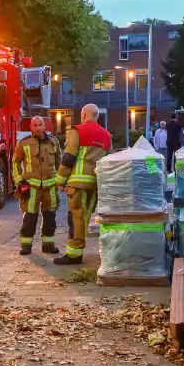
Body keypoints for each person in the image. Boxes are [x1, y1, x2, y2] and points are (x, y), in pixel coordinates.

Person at [54, 104, 112, 264]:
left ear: (84, 114)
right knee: (84, 218)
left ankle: (74, 254)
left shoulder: (77, 130)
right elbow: (109, 160)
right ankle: (76, 252)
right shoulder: (106, 135)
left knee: (76, 217)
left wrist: (60, 179)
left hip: (78, 182)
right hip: (95, 183)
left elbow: (69, 157)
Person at [12, 116, 61, 255]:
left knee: (50, 217)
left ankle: (48, 245)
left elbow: (60, 163)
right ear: (31, 127)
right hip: (31, 187)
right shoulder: (23, 143)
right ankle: (26, 245)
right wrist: (19, 181)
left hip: (50, 187)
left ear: (44, 125)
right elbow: (15, 163)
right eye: (35, 125)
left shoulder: (54, 142)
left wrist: (61, 181)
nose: (38, 127)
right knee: (30, 217)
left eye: (40, 124)